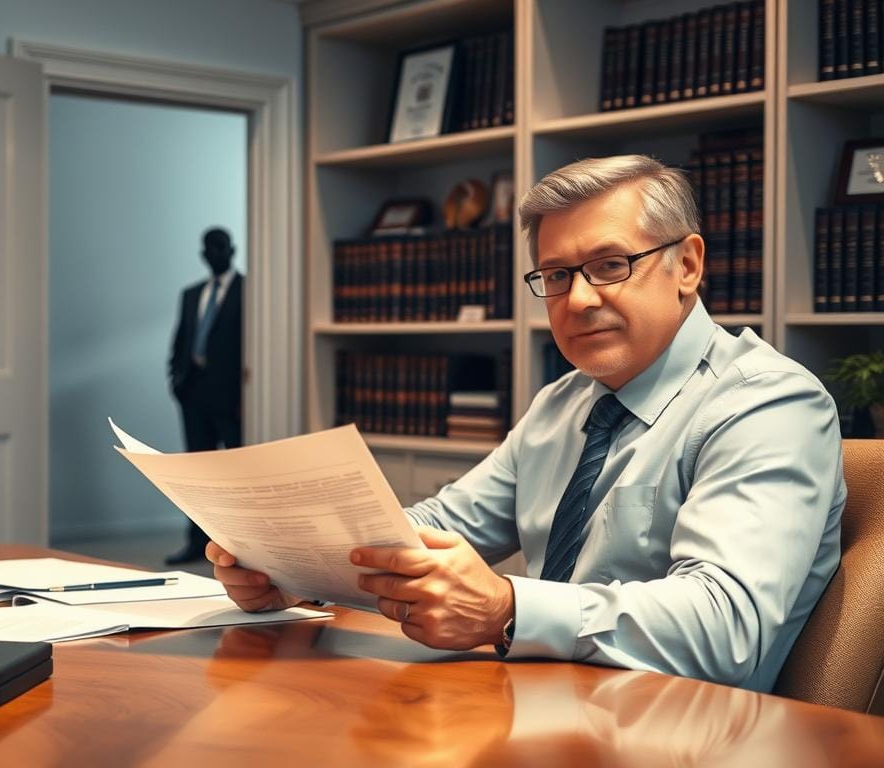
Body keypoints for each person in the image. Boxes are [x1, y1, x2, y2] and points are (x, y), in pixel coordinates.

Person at [208, 155, 846, 692]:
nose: (581, 299)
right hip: (542, 703)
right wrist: (291, 566)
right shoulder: (563, 404)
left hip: (686, 733)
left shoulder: (767, 403)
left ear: (687, 265)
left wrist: (506, 609)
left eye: (610, 265)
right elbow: (436, 529)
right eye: (558, 276)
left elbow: (725, 628)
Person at [166, 227, 244, 565]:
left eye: (220, 247)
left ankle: (240, 545)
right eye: (208, 248)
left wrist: (247, 394)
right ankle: (196, 540)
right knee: (197, 473)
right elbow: (182, 339)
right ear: (203, 254)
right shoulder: (191, 293)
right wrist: (176, 379)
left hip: (232, 397)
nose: (214, 253)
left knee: (236, 473)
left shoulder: (249, 290)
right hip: (194, 393)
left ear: (232, 250)